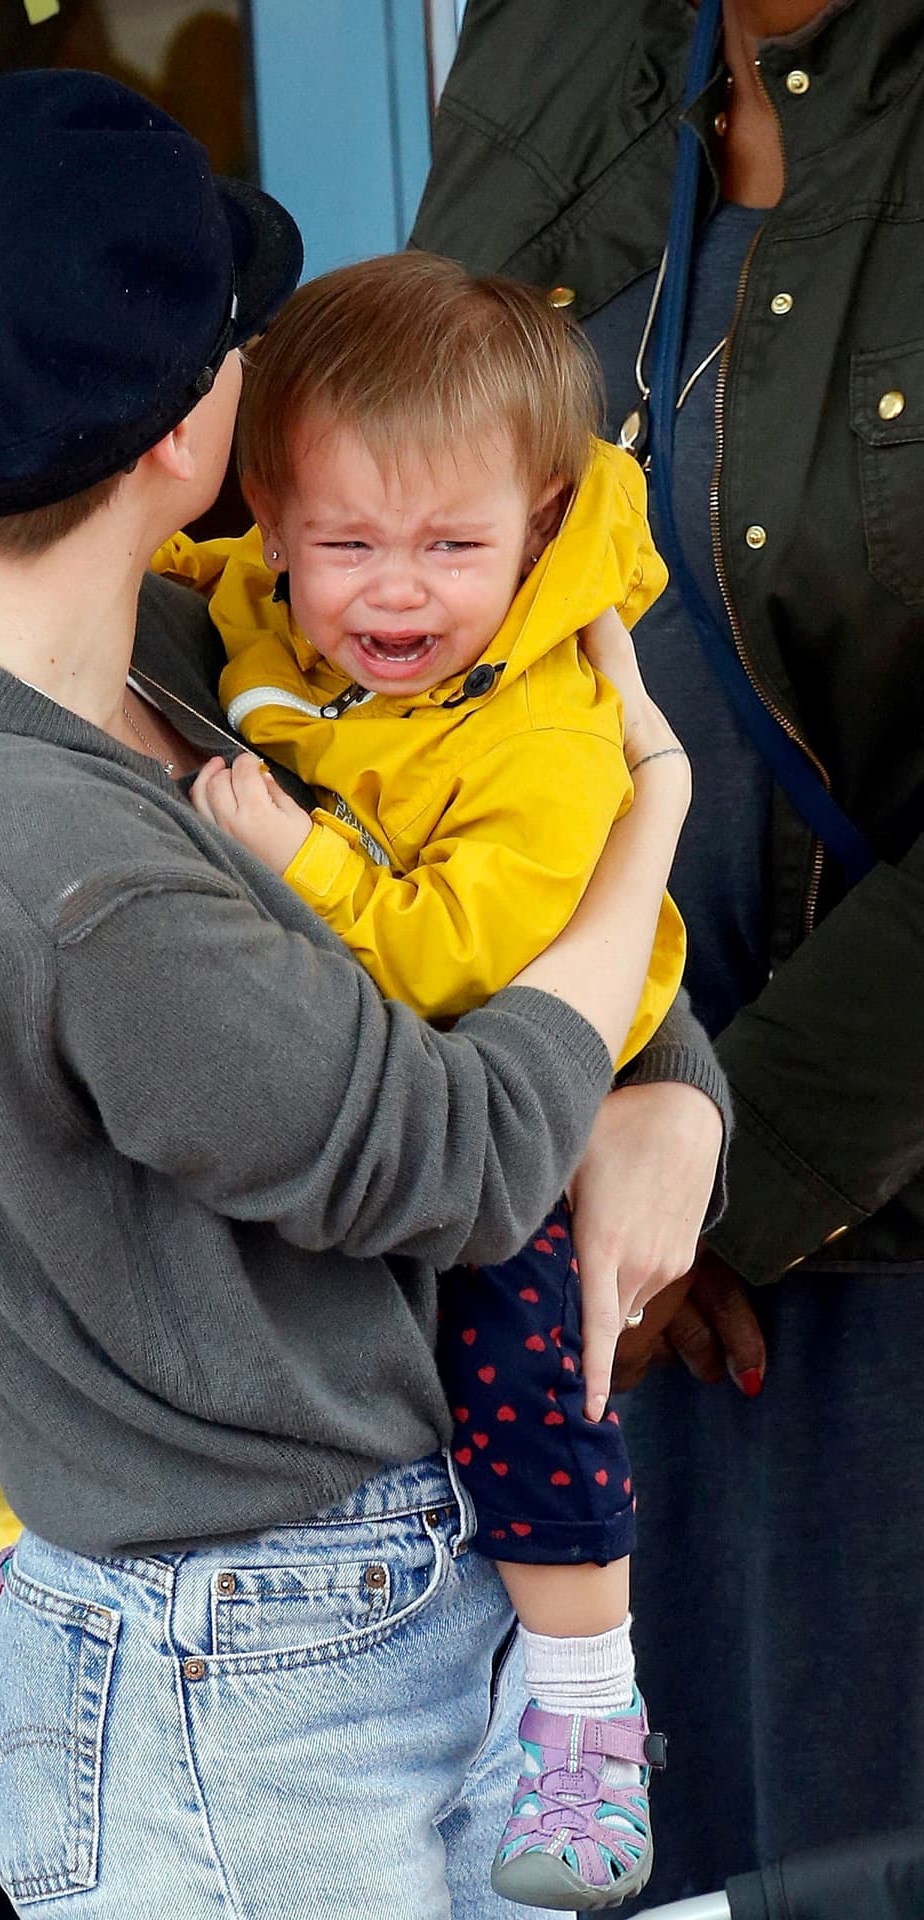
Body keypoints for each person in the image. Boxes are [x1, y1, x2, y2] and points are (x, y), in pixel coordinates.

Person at [0, 68, 727, 1919]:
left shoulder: (151, 642)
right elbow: (451, 1153)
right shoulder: (54, 866)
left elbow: (463, 894)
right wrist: (656, 828)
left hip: (345, 1630)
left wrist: (665, 1079)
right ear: (174, 433)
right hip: (255, 1699)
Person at [413, 0, 924, 1904]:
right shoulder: (550, 39)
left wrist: (726, 1159)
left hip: (857, 1278)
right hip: (582, 1261)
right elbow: (418, 541)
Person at [151, 251, 689, 1911]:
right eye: (348, 546)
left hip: (527, 1079)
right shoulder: (259, 601)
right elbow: (183, 562)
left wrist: (300, 862)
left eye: (453, 549)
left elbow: (470, 957)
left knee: (534, 1358)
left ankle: (590, 1705)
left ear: (536, 525)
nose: (397, 595)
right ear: (272, 515)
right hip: (378, 1099)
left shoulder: (546, 722)